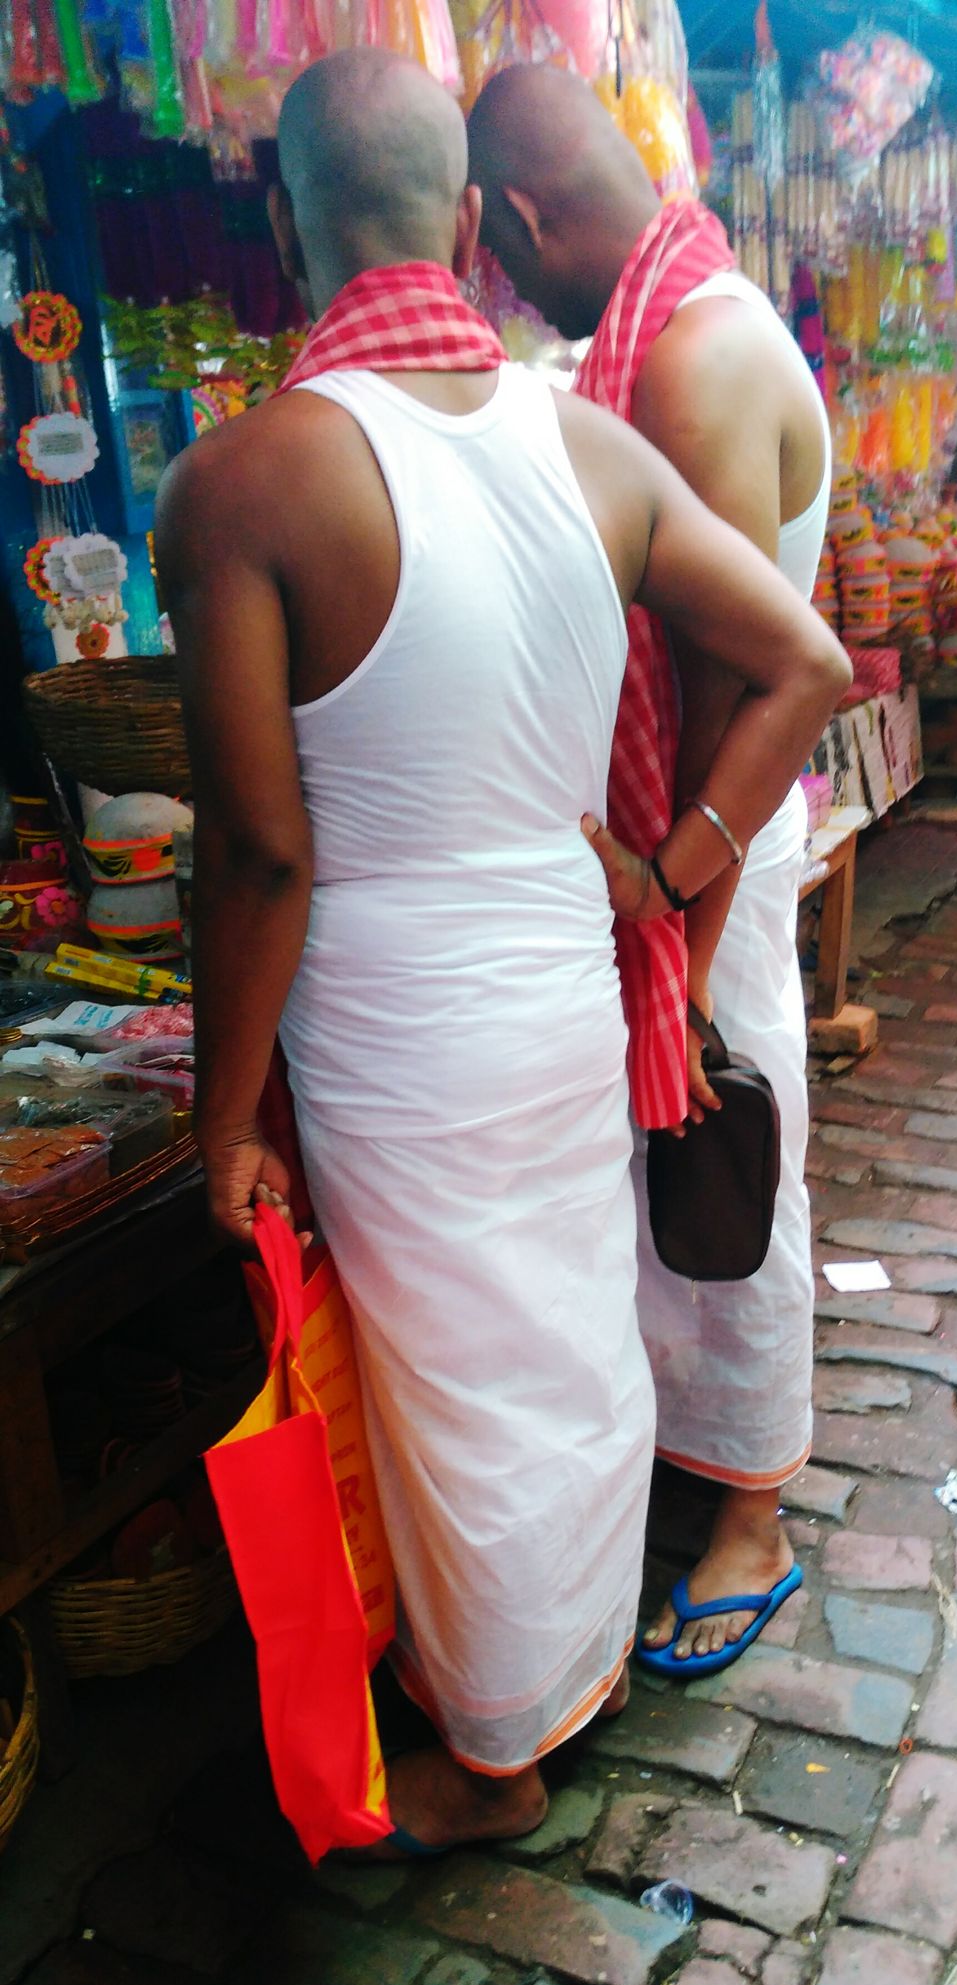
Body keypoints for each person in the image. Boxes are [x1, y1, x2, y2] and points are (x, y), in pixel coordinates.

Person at [155, 50, 848, 1854]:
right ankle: (566, 1661)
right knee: (558, 1332)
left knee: (455, 1366)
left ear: (293, 235)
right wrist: (678, 871)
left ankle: (496, 1751)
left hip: (394, 1010)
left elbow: (252, 851)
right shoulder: (588, 442)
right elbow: (806, 664)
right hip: (559, 967)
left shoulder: (242, 483)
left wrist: (223, 1117)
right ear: (467, 226)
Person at [468, 63, 833, 1676]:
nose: (511, 291)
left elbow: (747, 679)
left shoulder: (687, 358)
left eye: (506, 259)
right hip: (695, 846)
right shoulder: (685, 314)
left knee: (730, 1153)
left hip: (719, 835)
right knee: (680, 1162)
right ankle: (704, 1463)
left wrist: (671, 901)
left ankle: (753, 1512)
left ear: (528, 218)